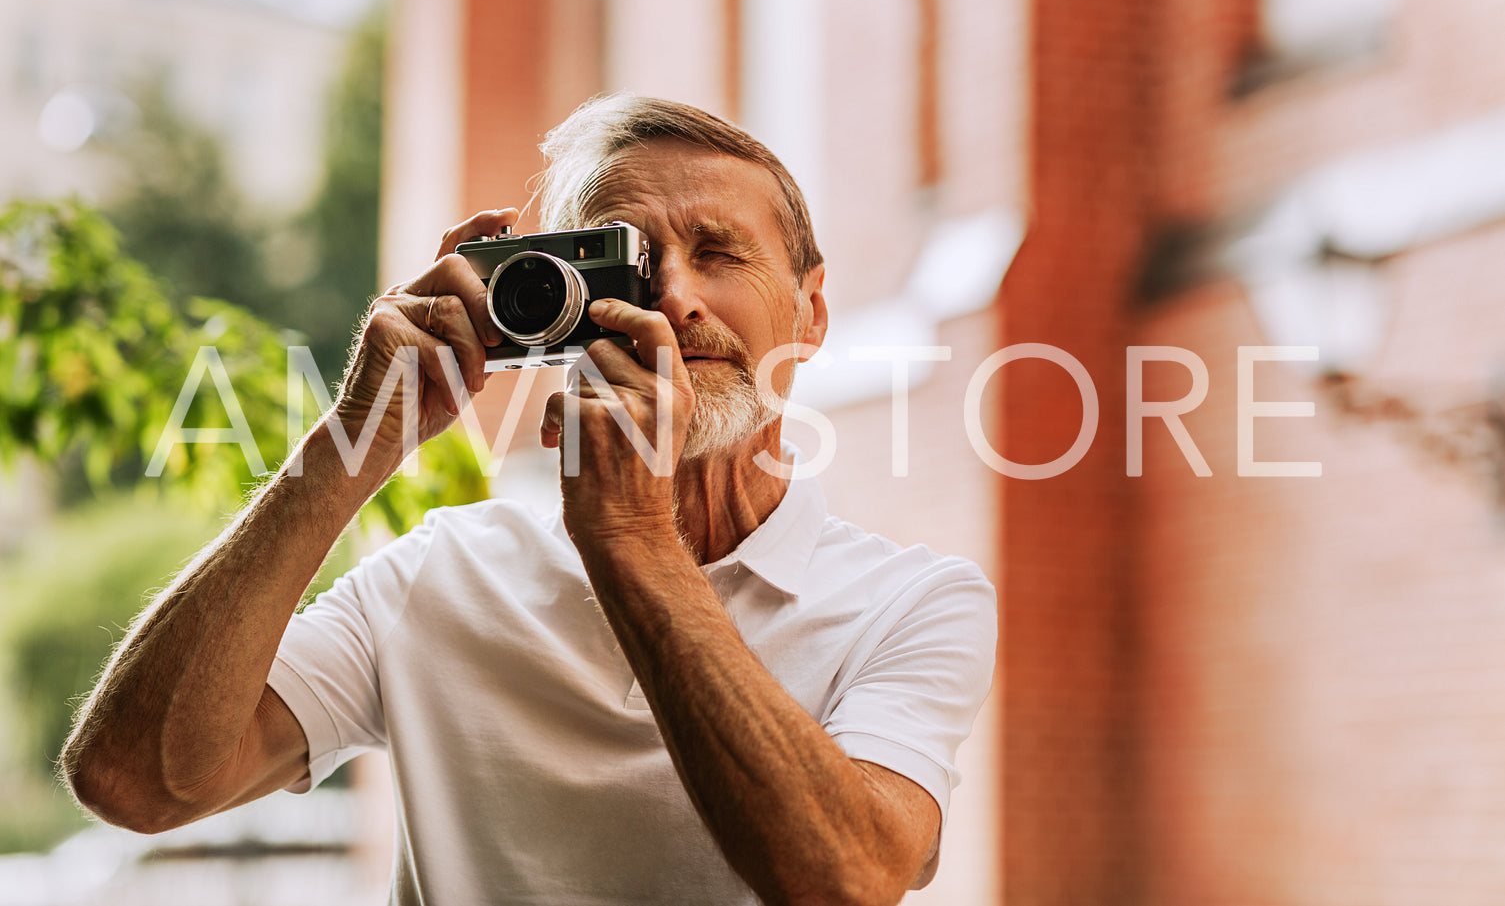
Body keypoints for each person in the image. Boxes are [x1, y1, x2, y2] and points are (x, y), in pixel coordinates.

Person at [62, 94, 996, 906]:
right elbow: (134, 781)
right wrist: (352, 444)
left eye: (717, 253)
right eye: (624, 263)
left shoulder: (912, 603)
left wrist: (629, 537)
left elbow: (842, 881)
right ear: (550, 302)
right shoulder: (442, 570)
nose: (672, 300)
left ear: (811, 313)